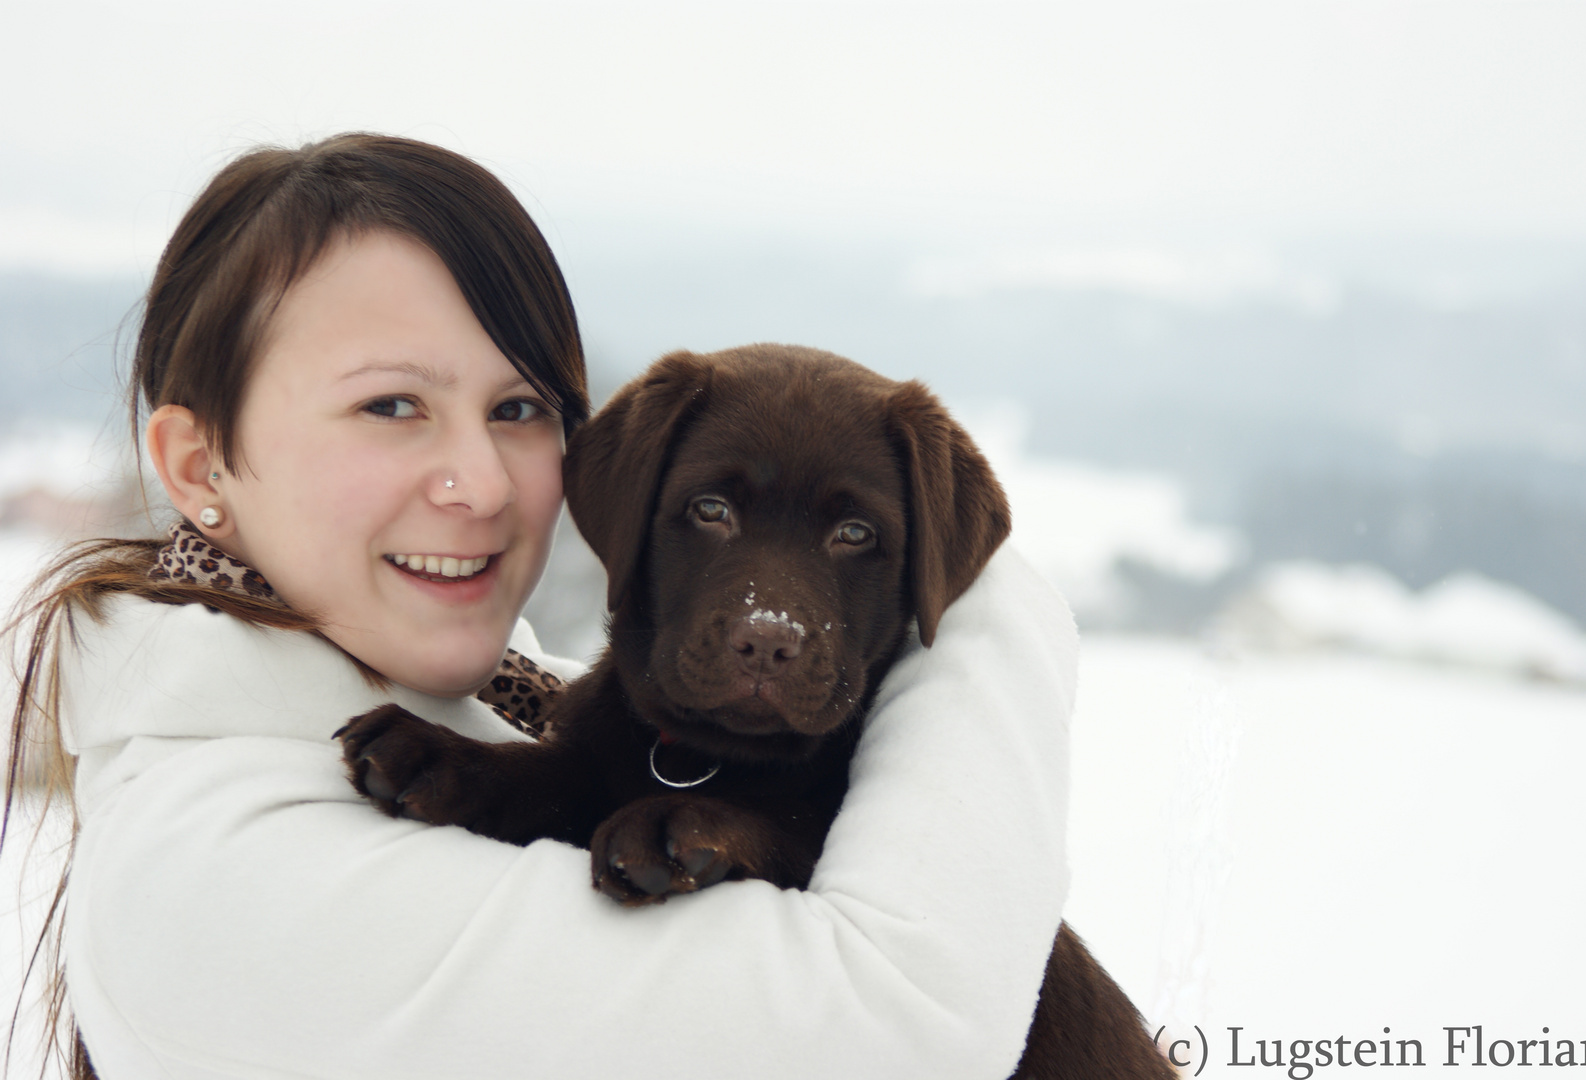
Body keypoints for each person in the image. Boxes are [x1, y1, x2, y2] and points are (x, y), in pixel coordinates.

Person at [3, 133, 1079, 1080]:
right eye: (391, 405)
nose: (480, 481)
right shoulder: (215, 883)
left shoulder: (515, 714)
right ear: (199, 463)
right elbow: (904, 1030)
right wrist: (989, 609)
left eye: (519, 408)